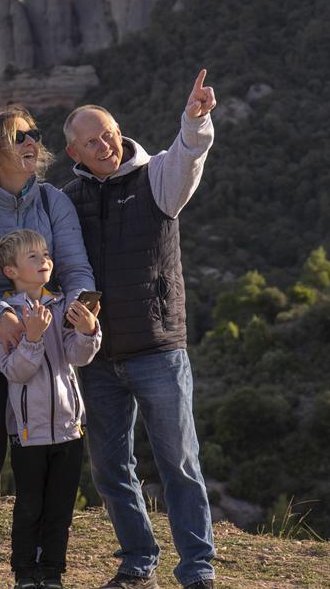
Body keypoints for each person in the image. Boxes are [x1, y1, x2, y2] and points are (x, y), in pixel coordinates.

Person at [61, 70, 219, 589]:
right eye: (91, 141)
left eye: (107, 132)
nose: (104, 144)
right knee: (111, 470)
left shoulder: (157, 177)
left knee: (179, 464)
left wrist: (194, 120)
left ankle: (197, 570)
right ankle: (138, 561)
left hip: (157, 350)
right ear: (74, 155)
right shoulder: (67, 200)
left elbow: (188, 156)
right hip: (98, 357)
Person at [0, 106, 96, 589]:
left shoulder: (55, 202)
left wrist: (78, 315)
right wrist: (4, 315)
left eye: (35, 134)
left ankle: (43, 568)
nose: (33, 143)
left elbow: (76, 272)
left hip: (52, 356)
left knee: (51, 471)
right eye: (20, 137)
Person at [0, 229, 101, 589]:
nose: (45, 262)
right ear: (11, 271)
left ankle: (51, 572)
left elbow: (77, 357)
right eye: (33, 257)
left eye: (46, 254)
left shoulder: (64, 304)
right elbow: (15, 371)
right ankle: (24, 572)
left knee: (60, 509)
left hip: (69, 429)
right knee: (29, 508)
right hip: (28, 433)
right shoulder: (4, 317)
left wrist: (87, 331)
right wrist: (32, 338)